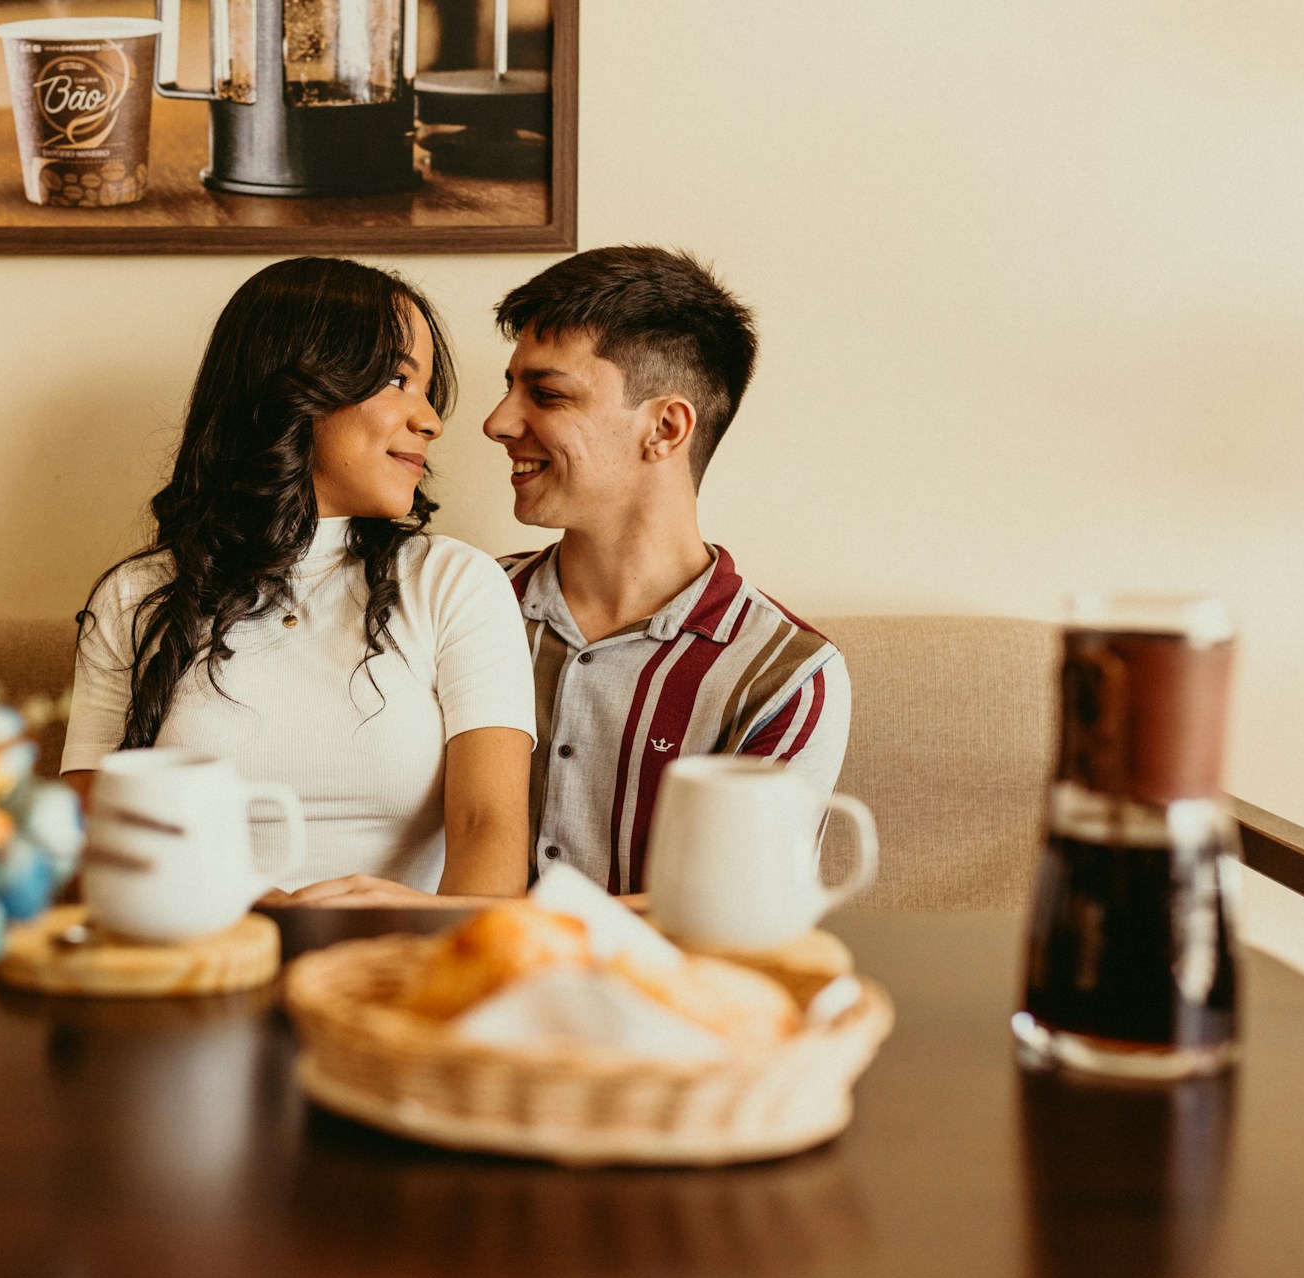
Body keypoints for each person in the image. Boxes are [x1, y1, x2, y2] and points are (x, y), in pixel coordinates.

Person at [60, 257, 535, 901]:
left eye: (426, 391)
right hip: (202, 960)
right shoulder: (137, 597)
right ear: (297, 386)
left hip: (395, 971)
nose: (431, 421)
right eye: (398, 379)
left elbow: (491, 831)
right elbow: (86, 842)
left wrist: (419, 943)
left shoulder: (456, 584)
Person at [486, 246, 851, 897]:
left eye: (545, 394)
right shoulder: (464, 604)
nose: (498, 422)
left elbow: (737, 920)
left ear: (664, 427)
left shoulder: (786, 676)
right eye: (508, 389)